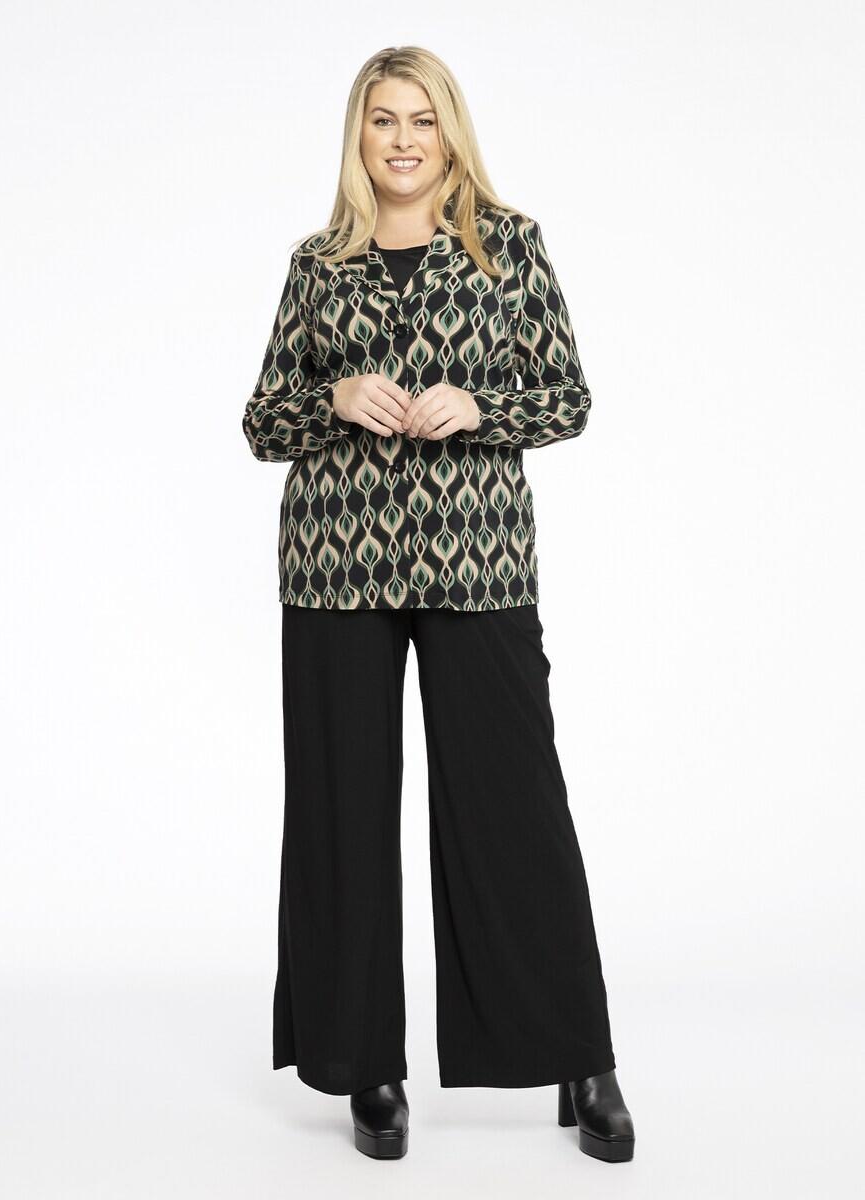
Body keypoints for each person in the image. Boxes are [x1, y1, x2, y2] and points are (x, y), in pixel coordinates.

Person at [241, 45, 635, 1164]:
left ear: (449, 131)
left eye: (422, 119)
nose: (404, 140)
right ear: (359, 136)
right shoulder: (320, 264)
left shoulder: (509, 246)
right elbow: (262, 420)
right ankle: (364, 1063)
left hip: (477, 564)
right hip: (336, 565)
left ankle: (579, 1057)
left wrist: (480, 406)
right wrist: (332, 396)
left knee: (515, 808)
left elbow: (568, 396)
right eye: (384, 120)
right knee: (344, 813)